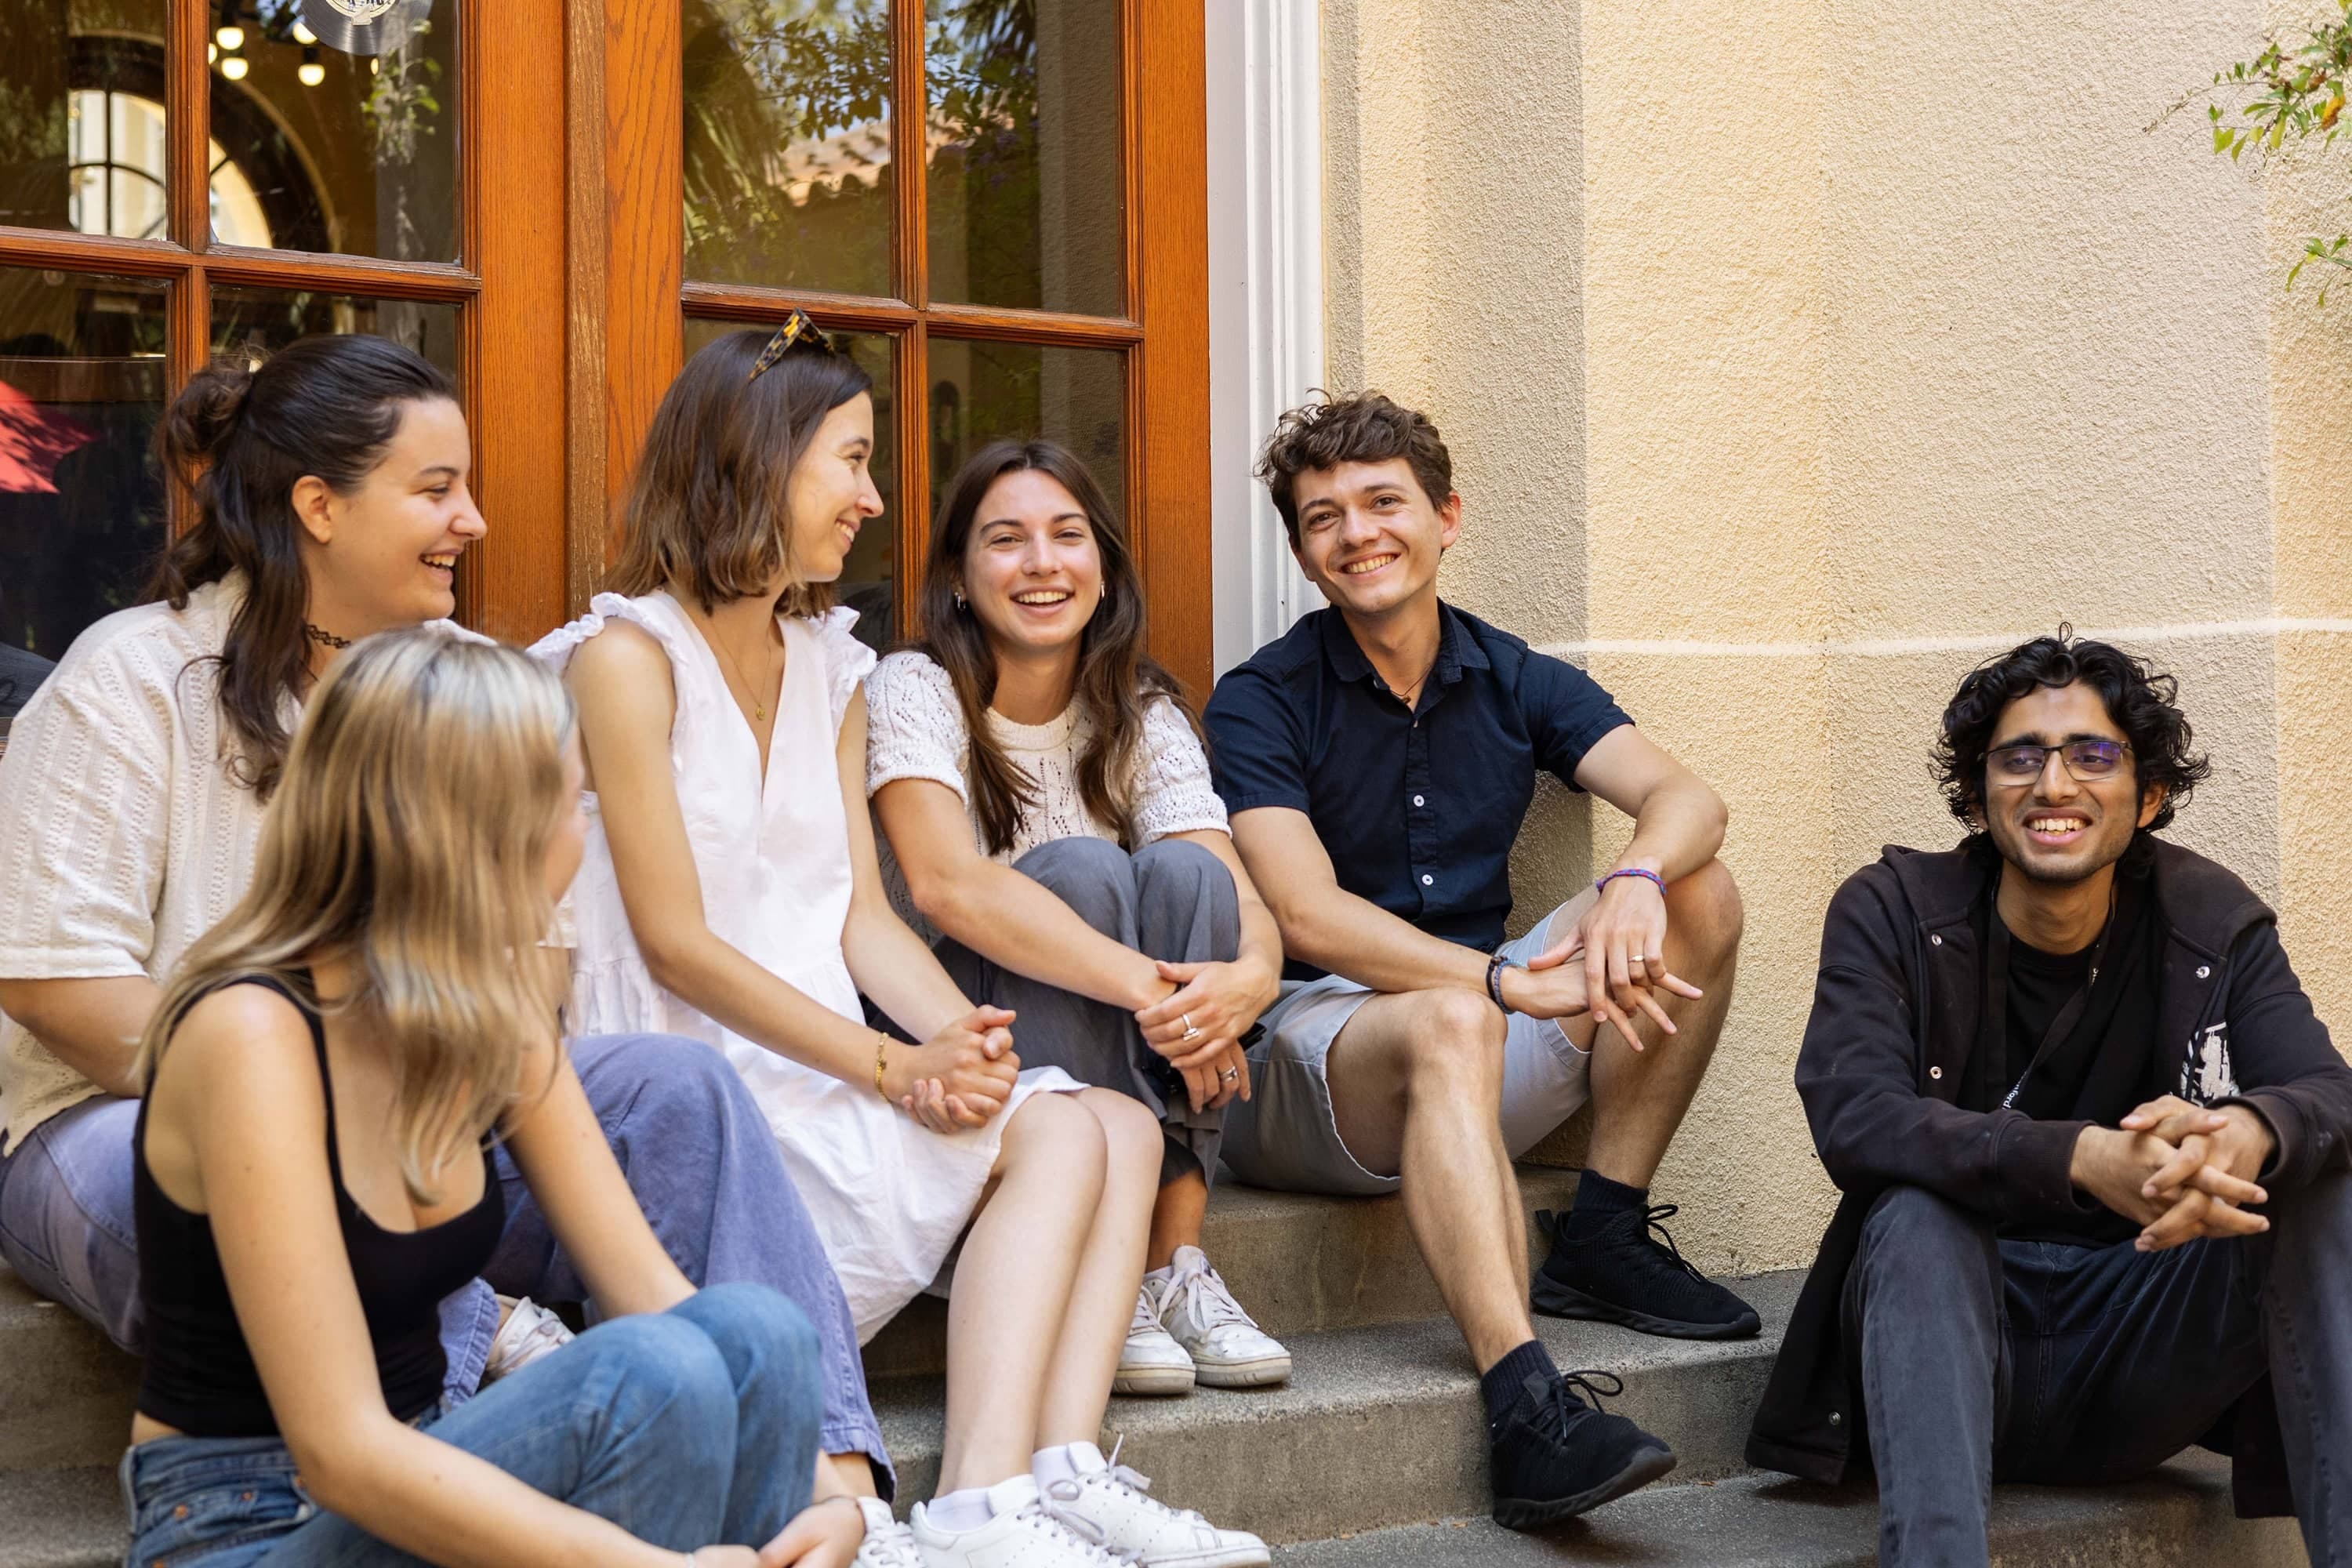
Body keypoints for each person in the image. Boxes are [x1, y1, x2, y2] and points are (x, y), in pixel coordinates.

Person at [0, 336, 894, 1501]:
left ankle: (837, 1488)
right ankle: (485, 1400)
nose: (472, 519)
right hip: (114, 1128)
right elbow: (53, 984)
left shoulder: (470, 679)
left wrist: (428, 1077)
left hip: (433, 1123)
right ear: (318, 506)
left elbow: (535, 974)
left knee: (682, 1090)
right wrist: (335, 1078)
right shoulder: (132, 676)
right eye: (436, 490)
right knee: (279, 1155)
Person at [537, 313, 1267, 1568]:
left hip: (825, 1064)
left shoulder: (830, 663)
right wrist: (892, 1068)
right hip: (692, 1089)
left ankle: (1019, 1486)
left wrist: (956, 1040)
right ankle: (999, 1501)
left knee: (1111, 1122)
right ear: (756, 464)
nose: (874, 500)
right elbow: (671, 941)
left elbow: (861, 916)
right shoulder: (624, 658)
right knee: (1060, 1115)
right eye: (854, 462)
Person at [122, 628, 862, 1568]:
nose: (584, 832)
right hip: (246, 1525)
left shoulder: (489, 1011)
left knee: (758, 1333)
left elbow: (655, 1296)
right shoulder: (252, 1035)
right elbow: (342, 1452)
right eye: (572, 800)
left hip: (431, 1463)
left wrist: (834, 1501)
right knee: (650, 1378)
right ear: (485, 828)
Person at [1203, 392, 1755, 1530]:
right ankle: (1526, 1404)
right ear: (1305, 554)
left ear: (1446, 517)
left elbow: (1686, 798)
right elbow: (1304, 915)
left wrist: (1639, 882)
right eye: (1323, 517)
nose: (1357, 532)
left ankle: (1600, 1231)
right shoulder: (1261, 700)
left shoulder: (1513, 676)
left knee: (1699, 886)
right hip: (1315, 1068)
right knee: (1454, 1017)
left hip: (1477, 1036)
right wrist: (1500, 983)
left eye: (1383, 502)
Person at [1748, 633, 2352, 1566]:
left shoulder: (2209, 919)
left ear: (2147, 795)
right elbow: (1855, 1115)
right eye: (2020, 755)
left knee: (2311, 1175)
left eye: (2093, 755)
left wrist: (2244, 1131)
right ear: (1981, 792)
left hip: (2137, 1354)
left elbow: (2329, 1094)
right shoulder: (1894, 908)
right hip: (1947, 1350)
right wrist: (2082, 1157)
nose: (2054, 783)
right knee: (1913, 1206)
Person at [866, 439, 1290, 1398]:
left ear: (1103, 568)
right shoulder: (915, 688)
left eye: (1067, 536)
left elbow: (1234, 887)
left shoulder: (1138, 708)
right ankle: (1089, 1247)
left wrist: (1251, 977)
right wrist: (1160, 995)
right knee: (1085, 873)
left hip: (1120, 1038)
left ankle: (1165, 1266)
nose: (1042, 563)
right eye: (1006, 540)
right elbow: (948, 887)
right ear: (962, 579)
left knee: (1186, 877)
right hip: (951, 1039)